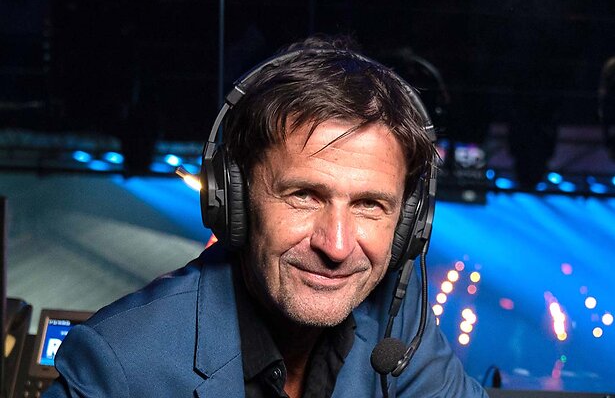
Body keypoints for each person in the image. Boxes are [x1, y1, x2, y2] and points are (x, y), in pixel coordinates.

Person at [44, 36, 487, 397]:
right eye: (304, 196)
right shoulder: (119, 363)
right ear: (234, 200)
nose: (336, 246)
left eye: (369, 205)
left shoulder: (399, 319)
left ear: (409, 223)